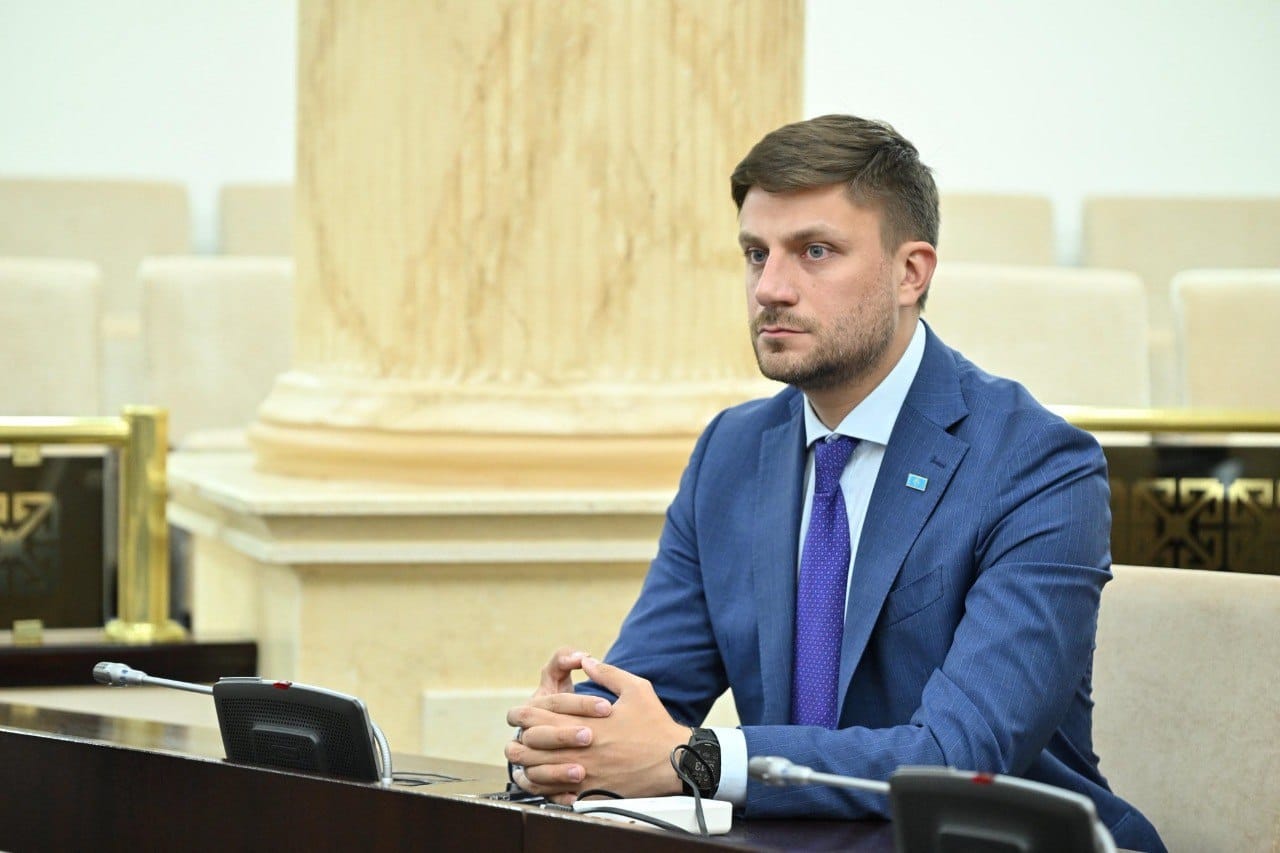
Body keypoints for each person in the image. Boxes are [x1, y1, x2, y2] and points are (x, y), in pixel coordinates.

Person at [504, 114, 1165, 852]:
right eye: (756, 254)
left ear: (911, 273)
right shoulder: (731, 452)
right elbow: (645, 692)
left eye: (814, 252)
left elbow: (957, 754)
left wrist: (699, 759)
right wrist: (568, 739)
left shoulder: (1037, 463)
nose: (771, 288)